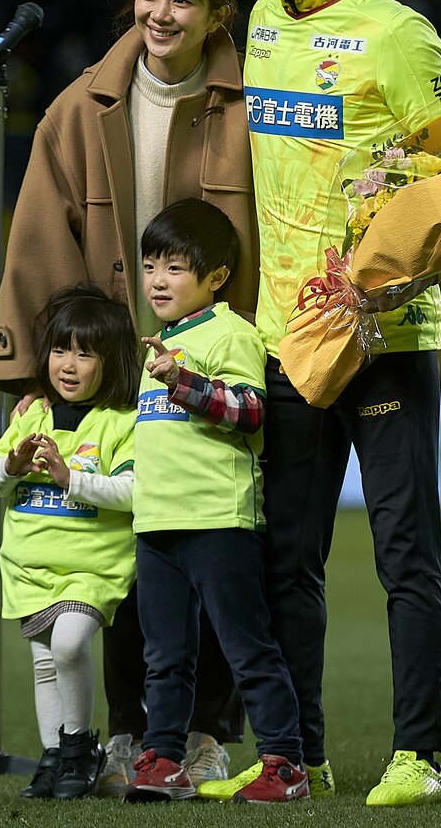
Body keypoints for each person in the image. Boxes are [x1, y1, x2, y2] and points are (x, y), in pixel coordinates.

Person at [200, 0, 441, 807]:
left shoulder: (400, 37)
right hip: (286, 337)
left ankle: (420, 756)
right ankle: (297, 758)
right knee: (285, 560)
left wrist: (390, 283)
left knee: (405, 557)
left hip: (387, 339)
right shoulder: (262, 23)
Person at [0, 0, 255, 793]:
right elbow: (35, 248)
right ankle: (137, 734)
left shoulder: (256, 104)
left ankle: (208, 732)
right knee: (129, 565)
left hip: (213, 373)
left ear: (217, 15)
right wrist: (38, 374)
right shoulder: (76, 108)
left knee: (213, 560)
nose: (160, 13)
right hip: (118, 373)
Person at [122, 198, 307, 805]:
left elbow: (253, 412)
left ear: (216, 278)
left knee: (247, 648)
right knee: (164, 658)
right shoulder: (158, 344)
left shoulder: (230, 332)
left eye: (175, 268)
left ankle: (284, 763)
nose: (157, 280)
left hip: (218, 521)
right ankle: (164, 760)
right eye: (151, 265)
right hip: (157, 524)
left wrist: (185, 383)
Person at [0, 284, 141, 800]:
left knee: (70, 643)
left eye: (85, 353)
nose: (68, 364)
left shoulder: (122, 422)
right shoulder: (31, 415)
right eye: (59, 350)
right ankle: (55, 758)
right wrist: (11, 464)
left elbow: (134, 491)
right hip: (31, 567)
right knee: (45, 662)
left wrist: (70, 477)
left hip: (92, 567)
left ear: (111, 361)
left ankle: (79, 748)